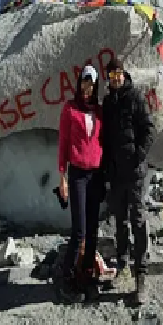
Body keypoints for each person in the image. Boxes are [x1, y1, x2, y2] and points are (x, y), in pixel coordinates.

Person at [101, 58, 154, 305]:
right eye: (112, 75)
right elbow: (104, 139)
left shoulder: (135, 97)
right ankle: (123, 264)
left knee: (137, 219)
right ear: (108, 78)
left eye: (119, 73)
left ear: (124, 74)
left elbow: (148, 129)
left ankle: (140, 273)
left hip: (134, 172)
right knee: (119, 221)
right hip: (116, 173)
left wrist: (139, 156)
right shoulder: (108, 102)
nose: (116, 78)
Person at [57, 64, 105, 302]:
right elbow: (63, 143)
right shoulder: (70, 109)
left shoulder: (98, 110)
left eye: (92, 84)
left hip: (95, 175)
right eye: (86, 82)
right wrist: (62, 177)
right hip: (77, 174)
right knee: (79, 231)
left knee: (92, 229)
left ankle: (85, 275)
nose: (88, 87)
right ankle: (66, 278)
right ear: (80, 83)